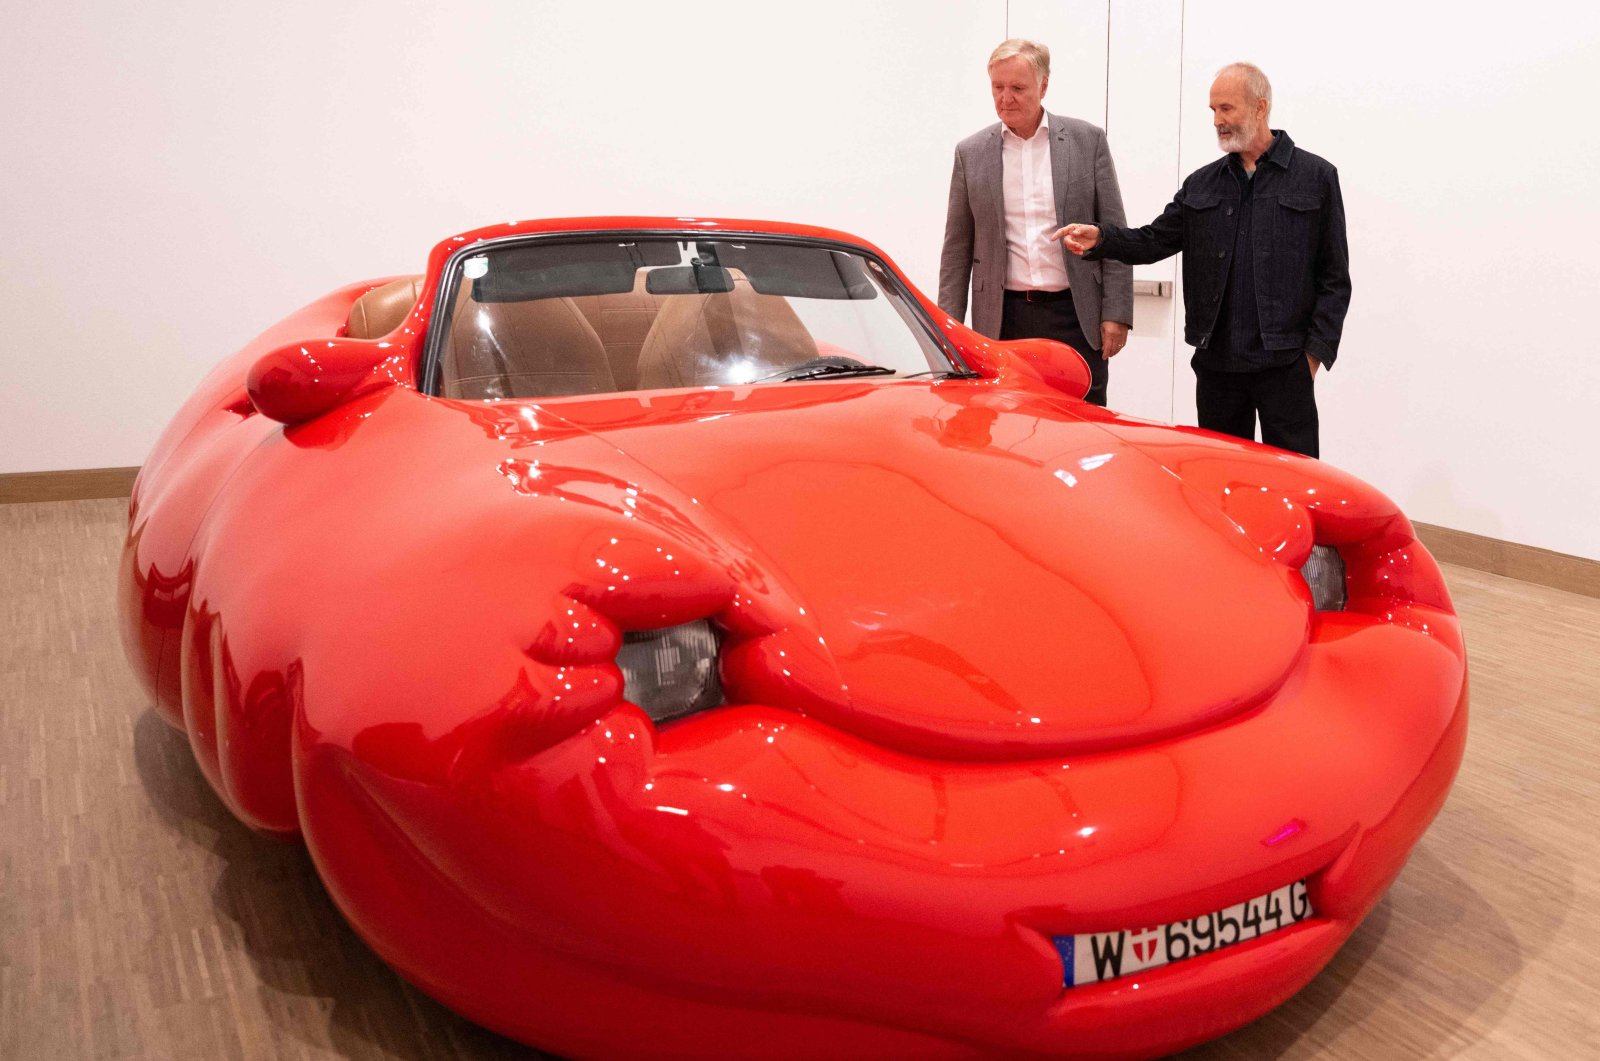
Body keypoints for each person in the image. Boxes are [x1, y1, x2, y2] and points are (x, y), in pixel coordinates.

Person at [1054, 62, 1349, 458]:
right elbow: (1153, 240)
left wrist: (1314, 355)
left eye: (1227, 109)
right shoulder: (1202, 183)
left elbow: (1335, 277)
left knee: (1295, 479)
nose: (1217, 121)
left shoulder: (1315, 177)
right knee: (1222, 476)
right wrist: (1101, 238)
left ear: (1261, 108)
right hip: (1217, 364)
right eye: (1213, 111)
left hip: (1285, 362)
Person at [940, 39, 1133, 407]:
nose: (1005, 98)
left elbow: (1114, 231)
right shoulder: (971, 152)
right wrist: (948, 330)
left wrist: (1117, 312)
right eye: (998, 87)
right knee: (1008, 430)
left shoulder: (1086, 141)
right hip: (1003, 319)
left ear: (1043, 86)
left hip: (1075, 317)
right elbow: (956, 248)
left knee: (1083, 429)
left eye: (1017, 88)